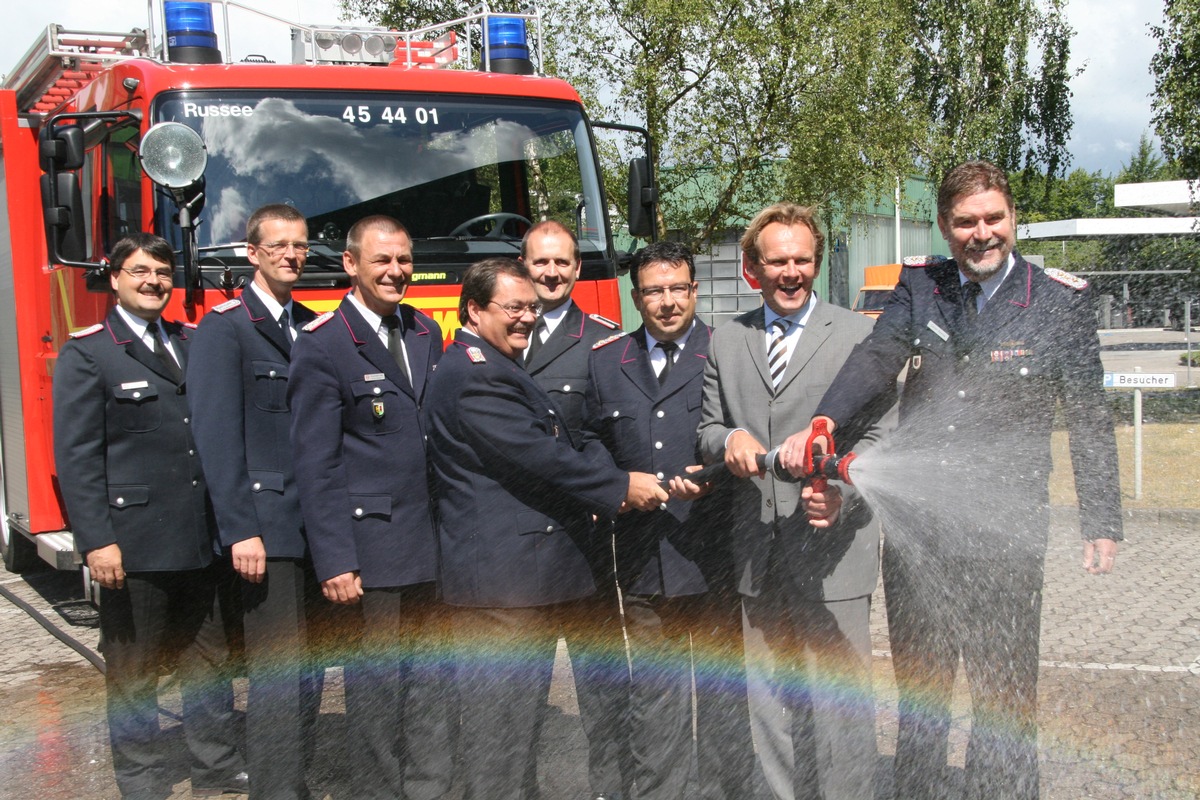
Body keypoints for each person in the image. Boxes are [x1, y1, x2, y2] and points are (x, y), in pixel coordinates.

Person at [796, 160, 1123, 800]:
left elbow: (1089, 412)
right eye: (966, 222)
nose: (982, 234)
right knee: (922, 696)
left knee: (1004, 696)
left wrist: (1102, 520)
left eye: (993, 219)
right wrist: (827, 420)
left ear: (1013, 220)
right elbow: (877, 357)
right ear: (945, 226)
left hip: (1007, 537)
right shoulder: (922, 287)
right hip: (921, 537)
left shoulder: (1059, 302)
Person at [423, 257, 668, 800]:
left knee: (514, 739)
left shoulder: (492, 363)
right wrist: (620, 486)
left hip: (524, 583)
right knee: (499, 744)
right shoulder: (474, 376)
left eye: (532, 307)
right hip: (503, 591)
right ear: (473, 310)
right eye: (513, 307)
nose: (528, 318)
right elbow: (541, 456)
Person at [697, 204, 892, 800]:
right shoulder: (727, 339)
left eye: (802, 260)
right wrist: (729, 438)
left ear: (817, 261)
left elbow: (885, 441)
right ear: (753, 268)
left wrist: (844, 499)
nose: (791, 272)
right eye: (776, 260)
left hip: (835, 558)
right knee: (768, 707)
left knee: (841, 710)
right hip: (758, 557)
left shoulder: (862, 336)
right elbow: (707, 428)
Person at [53, 233, 247, 800]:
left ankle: (215, 765)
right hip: (133, 543)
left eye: (162, 272)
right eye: (139, 271)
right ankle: (140, 776)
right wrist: (95, 540)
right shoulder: (89, 352)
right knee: (135, 670)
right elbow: (77, 457)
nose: (153, 282)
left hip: (199, 535)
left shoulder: (191, 342)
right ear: (114, 278)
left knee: (209, 661)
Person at [287, 215, 451, 800]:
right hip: (372, 551)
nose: (395, 271)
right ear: (351, 264)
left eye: (403, 260)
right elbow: (316, 463)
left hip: (431, 545)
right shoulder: (324, 344)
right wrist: (334, 560)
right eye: (382, 260)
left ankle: (432, 788)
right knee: (378, 691)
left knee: (434, 684)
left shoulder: (426, 331)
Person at [583, 241, 753, 800]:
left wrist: (713, 482)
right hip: (644, 563)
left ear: (695, 290)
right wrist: (615, 490)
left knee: (726, 700)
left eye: (678, 288)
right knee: (655, 705)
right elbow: (588, 445)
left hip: (715, 558)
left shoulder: (729, 350)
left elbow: (752, 438)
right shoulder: (608, 361)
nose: (668, 301)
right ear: (636, 298)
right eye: (654, 291)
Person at [187, 204, 323, 800]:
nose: (292, 256)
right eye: (279, 247)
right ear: (253, 254)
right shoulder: (226, 328)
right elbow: (216, 438)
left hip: (317, 528)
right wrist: (241, 529)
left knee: (312, 671)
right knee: (278, 674)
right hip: (267, 530)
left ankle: (295, 775)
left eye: (300, 246)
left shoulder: (314, 326)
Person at [519, 219, 630, 800]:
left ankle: (609, 788)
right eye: (541, 262)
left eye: (562, 262)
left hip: (585, 541)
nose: (552, 273)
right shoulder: (497, 334)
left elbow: (612, 439)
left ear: (577, 269)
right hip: (518, 542)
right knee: (521, 692)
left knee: (602, 685)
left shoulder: (604, 341)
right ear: (524, 265)